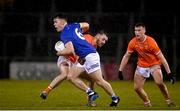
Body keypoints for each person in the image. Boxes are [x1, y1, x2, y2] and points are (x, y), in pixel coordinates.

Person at [52, 13, 119, 107]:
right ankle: (91, 93)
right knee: (71, 77)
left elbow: (70, 50)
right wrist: (80, 33)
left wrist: (59, 52)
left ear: (63, 21)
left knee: (99, 81)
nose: (54, 24)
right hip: (85, 57)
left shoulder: (64, 34)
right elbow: (86, 24)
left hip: (90, 56)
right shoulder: (74, 25)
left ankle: (115, 98)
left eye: (56, 22)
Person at [40, 32, 108, 106]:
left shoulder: (94, 47)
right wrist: (63, 48)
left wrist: (96, 73)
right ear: (98, 35)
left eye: (105, 41)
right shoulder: (87, 38)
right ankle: (46, 91)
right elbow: (73, 46)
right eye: (103, 39)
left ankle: (90, 101)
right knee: (65, 74)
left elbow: (86, 60)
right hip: (66, 57)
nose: (104, 42)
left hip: (75, 61)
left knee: (92, 79)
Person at [118, 22, 175, 107]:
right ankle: (147, 102)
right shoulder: (133, 42)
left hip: (154, 64)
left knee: (159, 83)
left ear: (144, 30)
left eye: (139, 30)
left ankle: (168, 100)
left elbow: (162, 58)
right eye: (135, 30)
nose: (137, 32)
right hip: (142, 65)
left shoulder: (151, 42)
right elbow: (126, 56)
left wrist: (169, 73)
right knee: (137, 88)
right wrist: (120, 70)